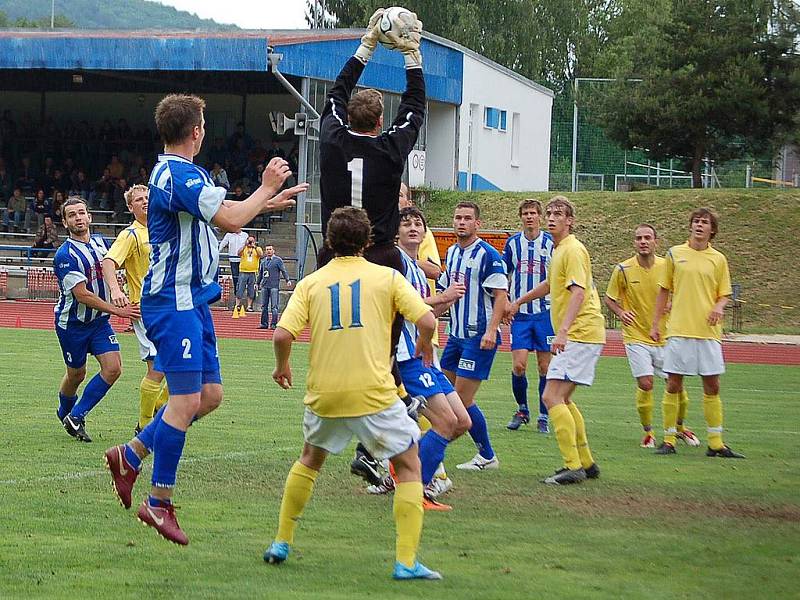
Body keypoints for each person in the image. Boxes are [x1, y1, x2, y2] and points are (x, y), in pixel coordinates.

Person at [103, 92, 306, 545]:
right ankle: (158, 503)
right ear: (196, 131)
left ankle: (131, 455)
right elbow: (231, 219)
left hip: (191, 301)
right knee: (184, 401)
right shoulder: (176, 173)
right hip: (172, 302)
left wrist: (265, 204)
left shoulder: (180, 175)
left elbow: (212, 221)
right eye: (204, 124)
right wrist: (266, 186)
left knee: (208, 396)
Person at [264, 206, 441, 581]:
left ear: (329, 240)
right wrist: (425, 346)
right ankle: (406, 562)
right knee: (410, 465)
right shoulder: (387, 277)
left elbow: (282, 334)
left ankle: (282, 539)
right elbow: (427, 318)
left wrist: (282, 366)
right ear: (368, 240)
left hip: (325, 393)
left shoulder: (311, 282)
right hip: (374, 393)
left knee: (310, 459)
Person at [317, 8, 425, 485]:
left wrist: (365, 46)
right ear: (381, 120)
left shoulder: (331, 137)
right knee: (381, 351)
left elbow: (333, 96)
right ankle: (378, 429)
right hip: (380, 257)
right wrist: (412, 57)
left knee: (338, 342)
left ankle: (341, 422)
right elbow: (417, 108)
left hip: (331, 259)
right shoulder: (390, 147)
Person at [367, 206, 467, 509]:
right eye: (406, 223)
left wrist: (442, 303)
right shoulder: (397, 264)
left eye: (418, 224)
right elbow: (403, 307)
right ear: (396, 232)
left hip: (425, 356)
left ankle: (399, 470)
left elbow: (423, 312)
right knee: (446, 421)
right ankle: (416, 488)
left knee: (461, 422)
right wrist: (444, 297)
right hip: (406, 357)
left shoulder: (416, 267)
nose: (412, 227)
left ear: (425, 233)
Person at [507, 196, 603, 485]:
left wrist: (562, 331)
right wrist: (519, 301)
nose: (551, 217)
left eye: (558, 213)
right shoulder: (560, 250)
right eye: (549, 212)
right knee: (563, 398)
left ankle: (572, 465)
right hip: (580, 333)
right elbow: (551, 285)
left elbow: (577, 292)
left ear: (570, 220)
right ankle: (586, 463)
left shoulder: (573, 250)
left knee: (551, 397)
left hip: (580, 333)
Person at [650, 208, 744, 458]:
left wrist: (718, 306)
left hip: (708, 332)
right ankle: (669, 439)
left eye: (705, 222)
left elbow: (724, 294)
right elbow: (663, 291)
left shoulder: (718, 259)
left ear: (712, 229)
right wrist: (655, 323)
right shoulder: (675, 254)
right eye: (696, 221)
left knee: (712, 385)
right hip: (679, 328)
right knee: (673, 383)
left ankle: (716, 443)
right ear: (690, 226)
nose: (699, 226)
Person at [605, 224, 700, 448]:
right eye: (639, 238)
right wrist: (620, 311)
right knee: (646, 383)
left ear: (656, 241)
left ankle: (679, 427)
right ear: (634, 242)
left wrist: (672, 304)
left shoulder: (667, 266)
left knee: (676, 384)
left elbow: (682, 291)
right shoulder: (623, 269)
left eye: (647, 238)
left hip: (667, 336)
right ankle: (648, 432)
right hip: (636, 336)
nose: (643, 241)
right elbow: (609, 298)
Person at [54, 197, 139, 442]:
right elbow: (82, 295)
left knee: (113, 368)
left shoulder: (103, 243)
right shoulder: (65, 255)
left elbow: (117, 268)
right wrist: (118, 310)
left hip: (99, 323)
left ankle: (77, 415)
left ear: (89, 217)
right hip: (72, 325)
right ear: (65, 222)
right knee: (76, 374)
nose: (78, 218)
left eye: (82, 213)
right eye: (72, 215)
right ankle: (64, 412)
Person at [438, 202, 507, 471]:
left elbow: (501, 295)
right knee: (445, 396)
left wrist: (491, 330)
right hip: (455, 336)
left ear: (477, 224)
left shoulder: (488, 255)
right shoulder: (452, 252)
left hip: (478, 338)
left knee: (462, 401)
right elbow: (447, 294)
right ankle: (485, 454)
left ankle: (483, 454)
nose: (461, 222)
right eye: (458, 218)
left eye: (467, 218)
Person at [101, 184, 168, 433]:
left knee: (185, 369)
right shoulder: (131, 235)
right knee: (157, 368)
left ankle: (155, 416)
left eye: (148, 198)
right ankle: (145, 426)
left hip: (172, 308)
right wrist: (116, 291)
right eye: (139, 200)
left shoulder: (166, 227)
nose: (145, 202)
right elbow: (108, 262)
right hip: (147, 311)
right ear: (131, 207)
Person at [502, 199, 555, 433]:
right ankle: (522, 409)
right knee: (519, 366)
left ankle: (544, 415)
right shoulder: (513, 244)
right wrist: (505, 303)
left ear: (540, 217)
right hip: (521, 315)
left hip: (545, 314)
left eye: (533, 213)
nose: (529, 217)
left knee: (545, 367)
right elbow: (502, 277)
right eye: (525, 213)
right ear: (521, 217)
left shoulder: (551, 243)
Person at [257, 244, 292, 329]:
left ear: (273, 251)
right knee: (264, 306)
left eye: (270, 249)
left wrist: (287, 280)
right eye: (267, 249)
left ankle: (274, 324)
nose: (268, 251)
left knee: (274, 306)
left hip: (274, 286)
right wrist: (257, 283)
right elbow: (260, 273)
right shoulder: (263, 261)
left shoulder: (278, 260)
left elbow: (283, 270)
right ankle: (264, 323)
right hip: (265, 285)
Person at [218, 227, 248, 307]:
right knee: (235, 278)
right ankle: (237, 296)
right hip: (233, 259)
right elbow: (223, 243)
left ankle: (242, 295)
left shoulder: (245, 235)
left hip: (243, 260)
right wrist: (217, 252)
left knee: (242, 278)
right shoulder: (229, 235)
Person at [234, 235, 262, 316]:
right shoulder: (244, 248)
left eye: (251, 241)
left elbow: (261, 254)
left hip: (253, 272)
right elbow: (238, 253)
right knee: (240, 288)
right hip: (243, 271)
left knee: (251, 290)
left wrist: (254, 247)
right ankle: (237, 305)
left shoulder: (257, 248)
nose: (250, 242)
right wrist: (244, 245)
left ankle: (249, 306)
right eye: (249, 241)